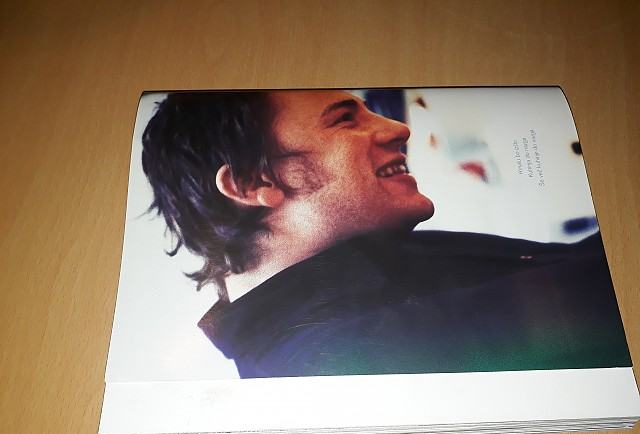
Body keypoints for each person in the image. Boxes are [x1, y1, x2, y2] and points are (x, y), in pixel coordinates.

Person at [142, 89, 631, 378]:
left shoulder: (362, 271)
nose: (399, 127)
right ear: (253, 182)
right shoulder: (323, 362)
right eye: (344, 119)